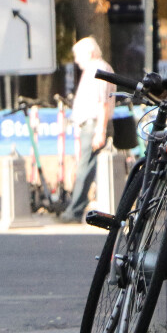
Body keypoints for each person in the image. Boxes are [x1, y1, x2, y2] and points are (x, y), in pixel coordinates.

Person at [63, 36, 114, 223]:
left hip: (94, 124)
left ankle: (74, 211)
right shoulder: (94, 69)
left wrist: (100, 130)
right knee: (87, 166)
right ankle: (76, 209)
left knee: (86, 167)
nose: (76, 60)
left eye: (78, 55)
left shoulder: (98, 69)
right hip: (91, 124)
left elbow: (103, 103)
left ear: (90, 53)